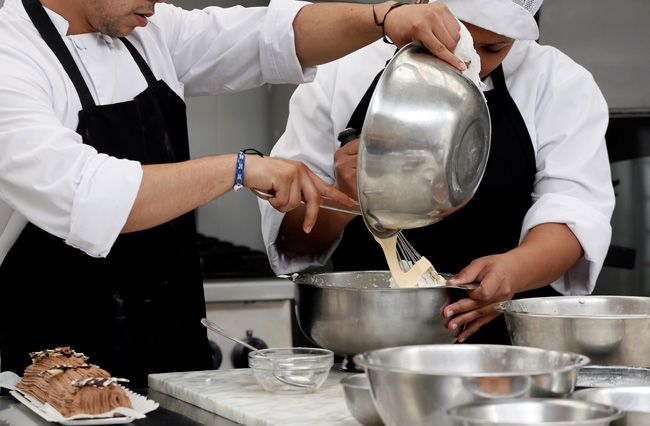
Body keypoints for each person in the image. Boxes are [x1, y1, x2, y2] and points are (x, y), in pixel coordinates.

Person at [0, 0, 473, 387]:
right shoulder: (11, 53)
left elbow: (271, 36)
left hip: (170, 354)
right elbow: (88, 195)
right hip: (49, 367)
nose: (159, 0)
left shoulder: (148, 31)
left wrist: (383, 17)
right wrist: (239, 169)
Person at [259, 0, 615, 345]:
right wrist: (348, 197)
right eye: (452, 39)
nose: (467, 62)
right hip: (371, 339)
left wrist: (515, 270)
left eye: (492, 48)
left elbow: (574, 213)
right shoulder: (340, 71)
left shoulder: (557, 82)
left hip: (508, 351)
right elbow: (294, 239)